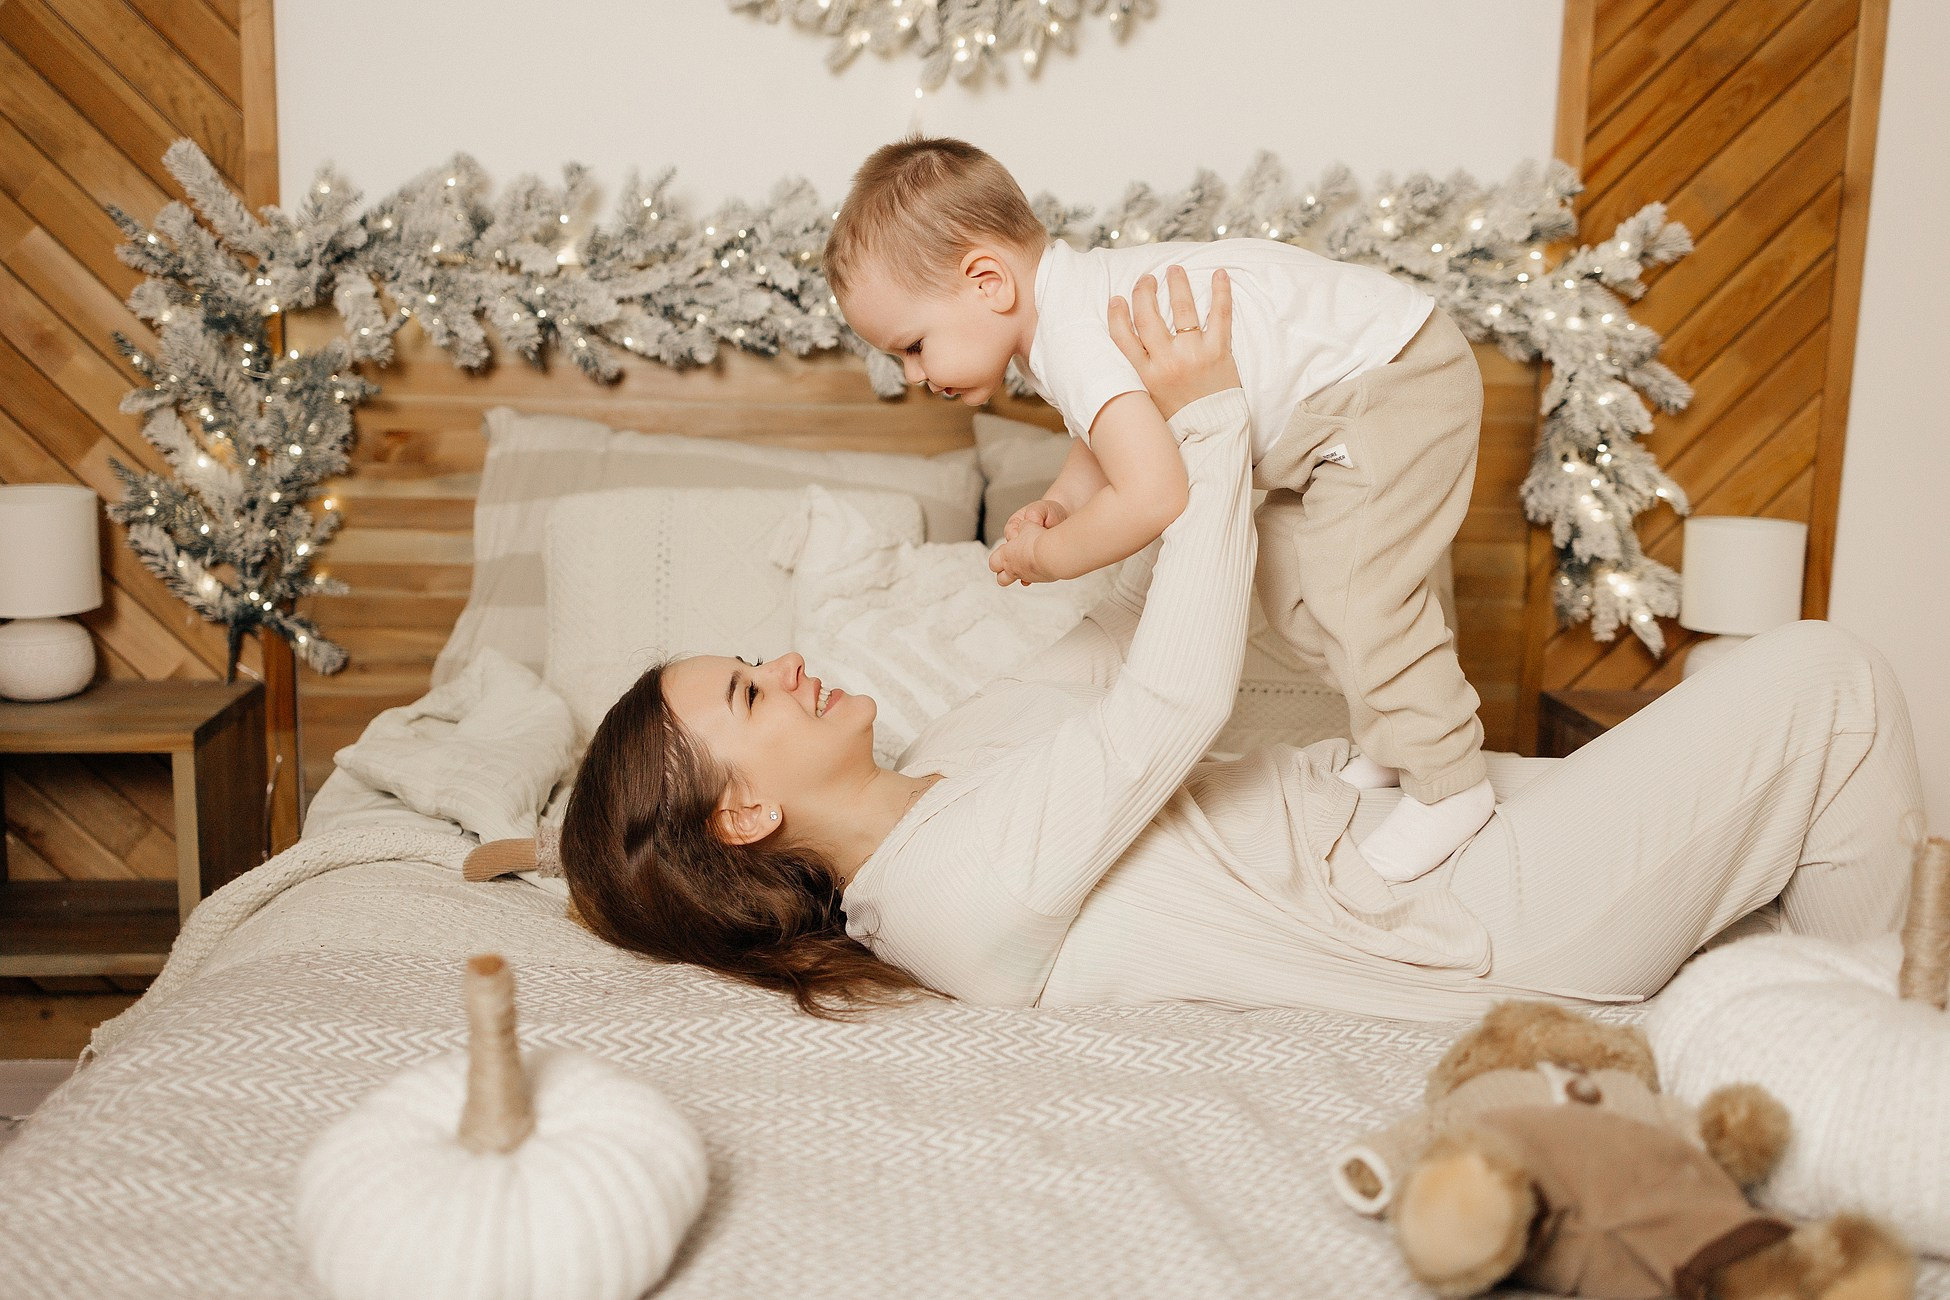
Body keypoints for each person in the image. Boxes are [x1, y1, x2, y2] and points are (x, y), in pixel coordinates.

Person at [550, 270, 1922, 1022]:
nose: (784, 663)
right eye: (747, 688)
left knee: (1787, 822)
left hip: (1430, 834)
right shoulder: (948, 897)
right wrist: (1202, 420)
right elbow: (1177, 695)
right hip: (1463, 927)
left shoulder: (954, 763)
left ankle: (1822, 1007)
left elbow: (1132, 620)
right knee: (1828, 683)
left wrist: (1103, 474)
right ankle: (1854, 1048)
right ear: (742, 808)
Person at [823, 135, 1494, 884]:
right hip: (1352, 398)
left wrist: (1051, 556)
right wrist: (1059, 504)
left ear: (987, 281)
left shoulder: (1075, 335)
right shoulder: (1065, 321)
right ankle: (1395, 738)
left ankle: (1449, 780)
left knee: (1357, 591)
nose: (913, 375)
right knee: (1286, 576)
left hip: (1392, 378)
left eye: (913, 346)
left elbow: (1155, 493)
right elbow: (1108, 436)